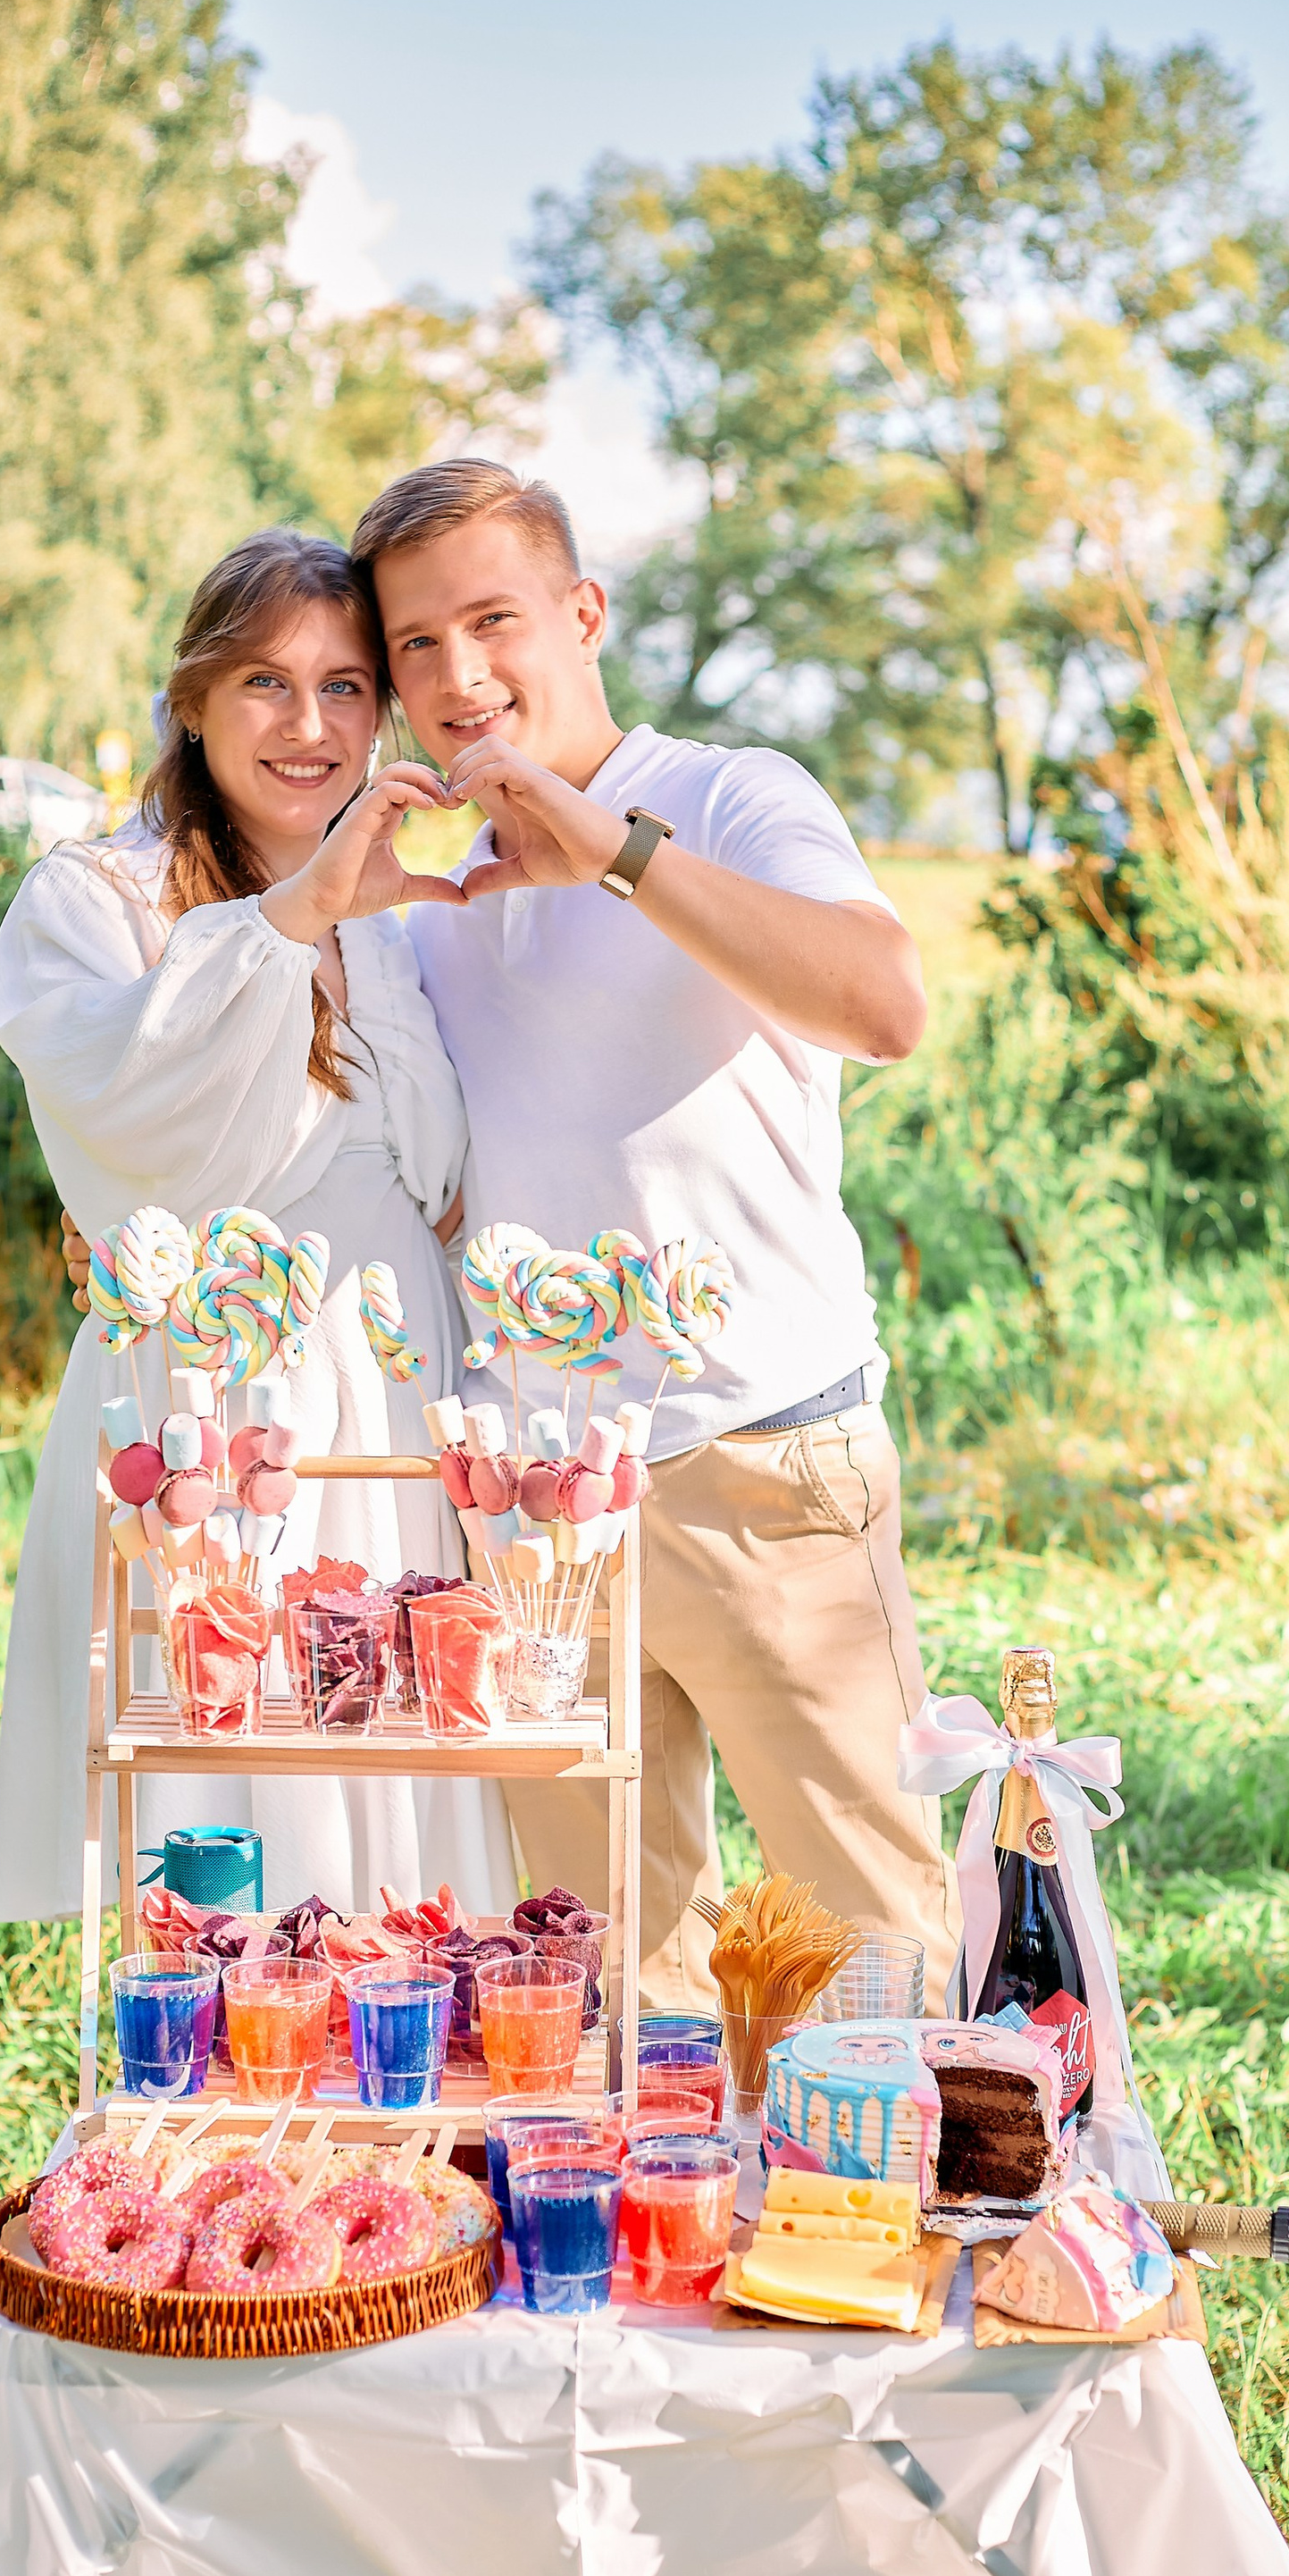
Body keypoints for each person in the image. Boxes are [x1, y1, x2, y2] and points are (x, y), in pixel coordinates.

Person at [356, 459, 958, 2008]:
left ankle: (934, 2243)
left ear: (583, 612)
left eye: (493, 619)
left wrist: (616, 855)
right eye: (415, 645)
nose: (458, 673)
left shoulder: (731, 795)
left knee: (874, 1947)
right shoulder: (424, 897)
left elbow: (884, 1004)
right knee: (608, 1986)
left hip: (763, 1461)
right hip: (540, 1508)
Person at [0, 526, 517, 1927]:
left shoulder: (399, 926)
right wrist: (299, 915)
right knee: (241, 1794)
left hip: (403, 1399)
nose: (311, 724)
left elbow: (445, 1172)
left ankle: (400, 2103)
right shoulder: (100, 903)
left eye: (347, 688)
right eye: (267, 685)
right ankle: (228, 2101)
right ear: (194, 702)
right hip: (222, 1408)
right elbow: (146, 1142)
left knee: (414, 1783)